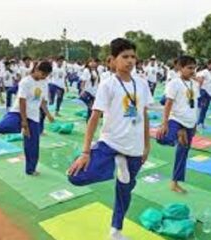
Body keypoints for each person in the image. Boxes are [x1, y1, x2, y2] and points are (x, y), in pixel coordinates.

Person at [67, 38, 152, 240]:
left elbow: (145, 114)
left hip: (135, 146)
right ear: (112, 60)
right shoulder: (108, 85)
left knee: (126, 190)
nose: (130, 61)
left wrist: (147, 145)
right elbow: (94, 117)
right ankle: (115, 162)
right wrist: (85, 152)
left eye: (133, 56)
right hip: (111, 143)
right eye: (125, 57)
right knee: (76, 177)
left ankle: (116, 231)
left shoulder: (141, 84)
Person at [0, 61, 54, 175]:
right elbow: (22, 101)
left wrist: (48, 114)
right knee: (0, 127)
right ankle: (17, 127)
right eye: (43, 74)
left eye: (46, 75)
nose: (44, 77)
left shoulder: (44, 83)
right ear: (36, 70)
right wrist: (24, 123)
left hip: (34, 117)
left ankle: (30, 169)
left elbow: (42, 101)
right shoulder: (26, 81)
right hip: (18, 112)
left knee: (33, 145)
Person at [156, 55, 199, 194]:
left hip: (190, 122)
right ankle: (178, 134)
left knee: (182, 153)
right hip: (176, 119)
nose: (192, 71)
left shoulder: (195, 84)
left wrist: (195, 122)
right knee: (162, 138)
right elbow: (168, 103)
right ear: (180, 68)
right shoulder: (174, 83)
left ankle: (174, 182)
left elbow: (195, 104)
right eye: (189, 68)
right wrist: (164, 123)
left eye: (194, 68)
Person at [197, 59, 211, 129]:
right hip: (204, 92)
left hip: (209, 93)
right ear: (208, 64)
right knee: (202, 108)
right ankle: (199, 123)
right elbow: (200, 80)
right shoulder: (205, 71)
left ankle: (201, 122)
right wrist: (199, 90)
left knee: (205, 109)